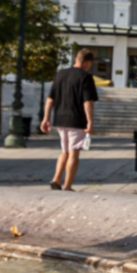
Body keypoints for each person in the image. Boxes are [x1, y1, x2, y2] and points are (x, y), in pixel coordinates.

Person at [41, 48, 100, 191]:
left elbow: (50, 99)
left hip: (60, 119)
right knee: (74, 153)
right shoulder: (86, 77)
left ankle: (56, 178)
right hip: (76, 120)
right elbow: (88, 102)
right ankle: (67, 186)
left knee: (64, 151)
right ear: (87, 62)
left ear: (76, 59)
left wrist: (46, 118)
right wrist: (90, 122)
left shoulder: (60, 74)